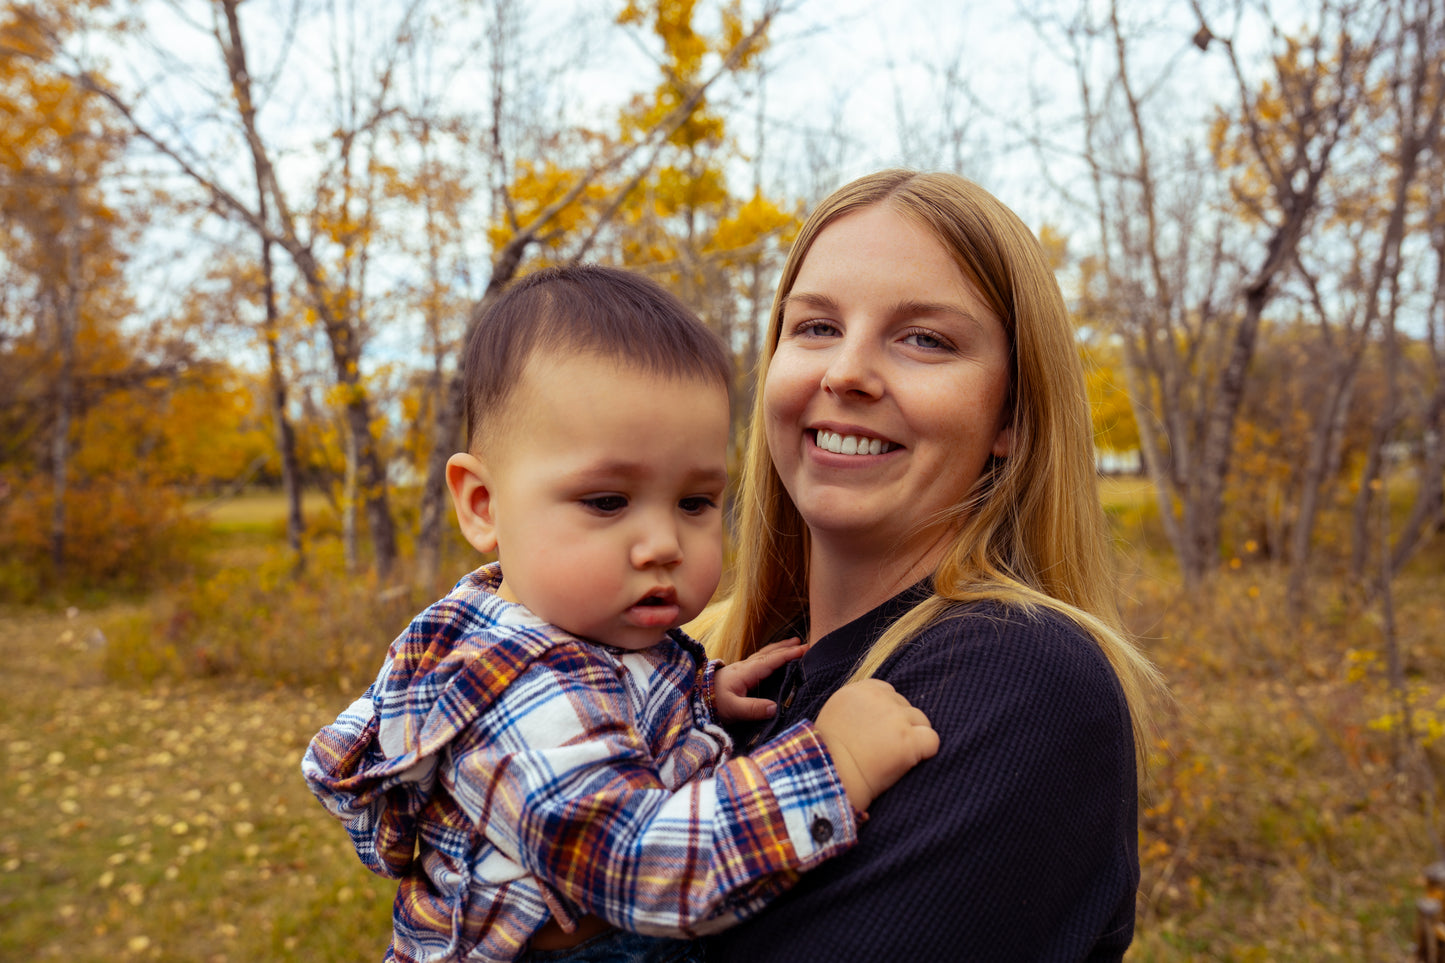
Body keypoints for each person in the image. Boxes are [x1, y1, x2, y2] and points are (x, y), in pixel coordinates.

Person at [301, 265, 939, 963]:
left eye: (694, 503)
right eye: (607, 501)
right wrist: (832, 764)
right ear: (483, 505)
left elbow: (607, 706)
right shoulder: (519, 688)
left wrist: (698, 694)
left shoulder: (576, 631)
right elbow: (644, 866)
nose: (664, 544)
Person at [698, 170, 1166, 962]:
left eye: (924, 339)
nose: (844, 372)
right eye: (814, 327)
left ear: (1010, 417)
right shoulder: (712, 669)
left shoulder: (1020, 680)